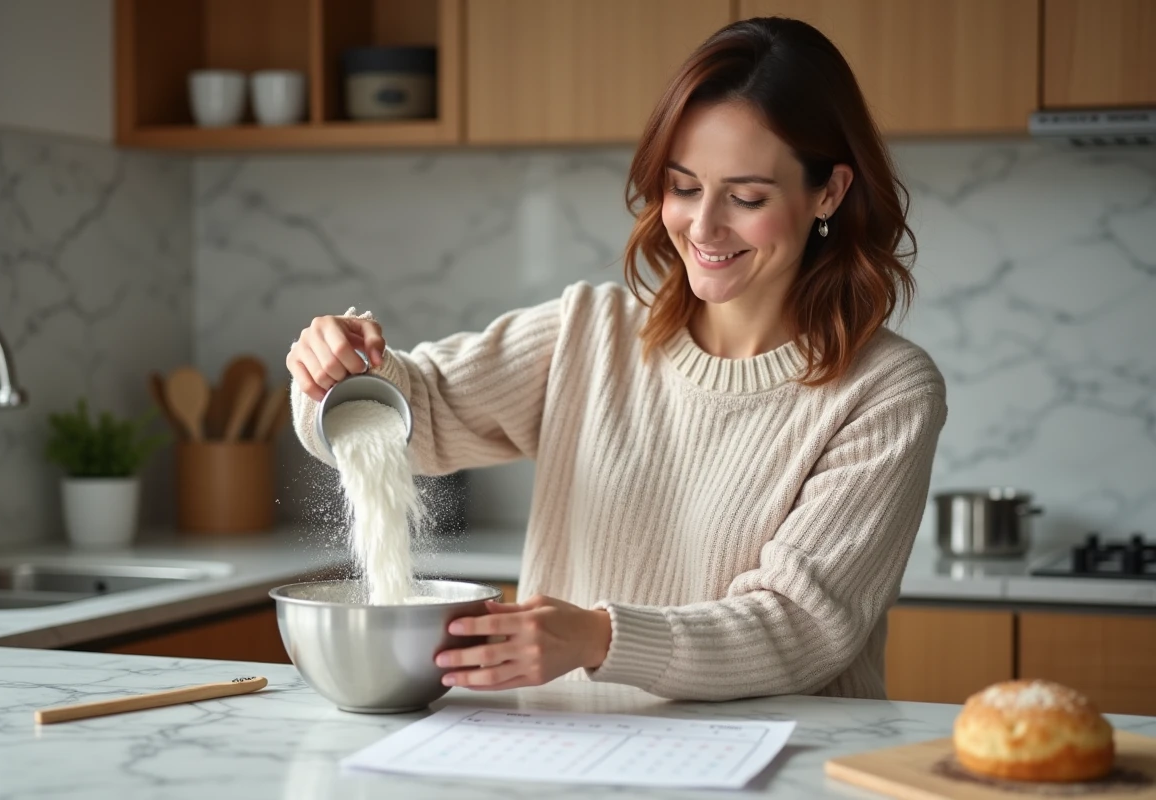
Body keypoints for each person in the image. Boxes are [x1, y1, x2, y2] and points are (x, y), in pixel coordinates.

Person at [286, 17, 946, 702]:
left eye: (747, 197)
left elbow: (800, 626)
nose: (704, 226)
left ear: (829, 193)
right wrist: (338, 371)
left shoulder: (885, 391)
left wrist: (598, 636)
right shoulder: (588, 334)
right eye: (684, 187)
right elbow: (412, 415)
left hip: (781, 763)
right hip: (574, 753)